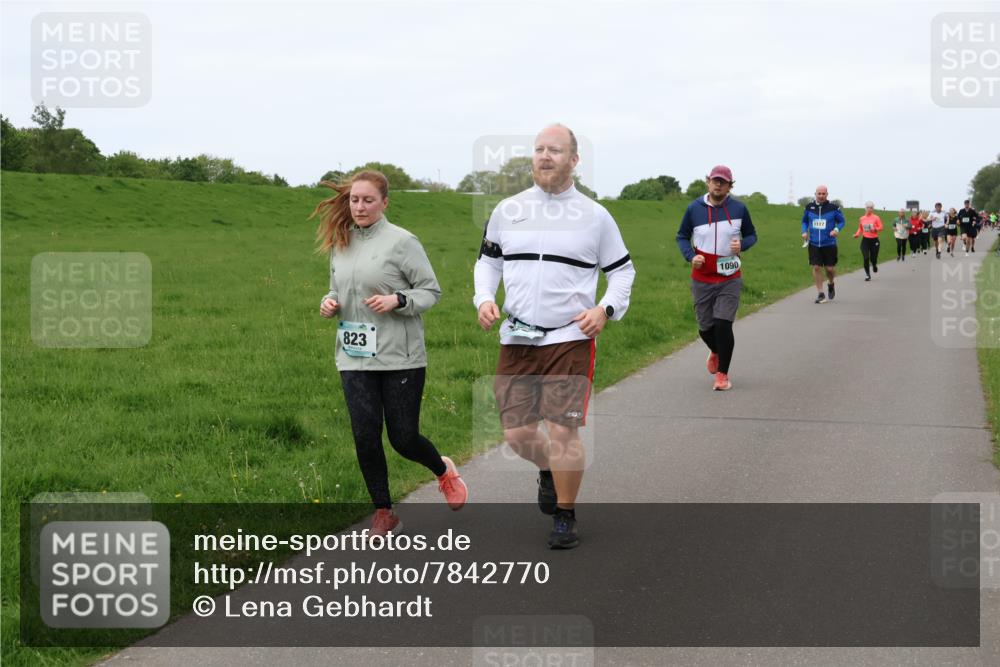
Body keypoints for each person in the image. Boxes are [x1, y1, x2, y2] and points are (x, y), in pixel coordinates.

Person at [473, 124, 635, 550]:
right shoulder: (507, 210)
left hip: (570, 336)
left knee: (563, 431)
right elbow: (487, 263)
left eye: (556, 150)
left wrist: (605, 309)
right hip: (517, 336)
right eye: (540, 149)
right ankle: (547, 470)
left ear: (574, 160)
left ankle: (565, 514)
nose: (545, 157)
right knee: (517, 435)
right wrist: (483, 298)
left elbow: (622, 272)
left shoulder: (595, 216)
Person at [314, 169, 468, 539]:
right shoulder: (342, 241)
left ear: (384, 202)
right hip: (354, 356)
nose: (360, 206)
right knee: (365, 437)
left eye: (368, 200)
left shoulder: (403, 242)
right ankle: (383, 512)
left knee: (403, 437)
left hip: (401, 357)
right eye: (354, 199)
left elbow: (430, 291)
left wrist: (398, 299)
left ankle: (443, 470)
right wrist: (329, 302)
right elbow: (336, 288)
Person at [676, 165, 757, 390]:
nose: (718, 184)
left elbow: (752, 235)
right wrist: (691, 256)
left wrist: (742, 244)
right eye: (715, 180)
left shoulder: (739, 208)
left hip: (730, 275)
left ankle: (722, 375)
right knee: (705, 328)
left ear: (730, 186)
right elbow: (682, 236)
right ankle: (715, 350)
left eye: (723, 181)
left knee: (723, 324)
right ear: (708, 182)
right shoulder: (694, 209)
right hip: (702, 277)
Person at [801, 185, 845, 304]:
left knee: (830, 269)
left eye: (823, 194)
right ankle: (820, 293)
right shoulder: (809, 207)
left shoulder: (833, 208)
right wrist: (804, 231)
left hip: (829, 243)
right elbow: (804, 221)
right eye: (819, 194)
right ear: (815, 194)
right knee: (816, 267)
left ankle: (831, 283)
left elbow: (842, 221)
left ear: (827, 194)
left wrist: (836, 230)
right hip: (814, 243)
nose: (821, 196)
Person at [853, 201, 882, 279]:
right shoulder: (862, 218)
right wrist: (857, 234)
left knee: (873, 258)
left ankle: (874, 265)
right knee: (866, 258)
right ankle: (867, 274)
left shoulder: (876, 217)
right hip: (865, 240)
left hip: (874, 240)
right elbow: (860, 228)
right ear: (865, 208)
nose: (869, 209)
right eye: (868, 207)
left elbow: (881, 227)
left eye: (871, 208)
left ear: (873, 209)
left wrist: (875, 229)